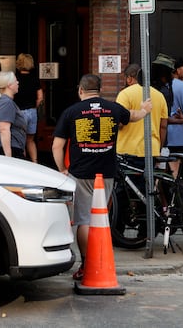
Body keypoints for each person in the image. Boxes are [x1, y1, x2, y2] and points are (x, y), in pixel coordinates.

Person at [52, 74, 150, 282]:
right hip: (106, 173)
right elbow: (132, 116)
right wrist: (144, 110)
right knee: (99, 217)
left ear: (80, 90)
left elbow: (57, 145)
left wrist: (62, 169)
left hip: (80, 173)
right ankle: (99, 261)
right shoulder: (113, 109)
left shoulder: (71, 112)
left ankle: (86, 264)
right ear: (100, 89)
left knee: (84, 220)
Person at [116, 63, 168, 169]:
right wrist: (159, 148)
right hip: (151, 149)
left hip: (128, 149)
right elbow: (163, 126)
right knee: (147, 184)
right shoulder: (159, 95)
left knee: (128, 184)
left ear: (129, 78)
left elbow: (119, 122)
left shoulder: (125, 94)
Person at [0, 71, 27, 159]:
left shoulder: (4, 101)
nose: (18, 82)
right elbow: (4, 129)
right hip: (6, 149)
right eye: (16, 81)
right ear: (9, 85)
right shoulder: (6, 103)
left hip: (6, 148)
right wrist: (8, 157)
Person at [14, 53, 44, 163]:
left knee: (19, 141)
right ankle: (35, 162)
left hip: (19, 112)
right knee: (30, 140)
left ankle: (23, 163)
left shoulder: (15, 79)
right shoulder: (34, 79)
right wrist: (33, 106)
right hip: (32, 112)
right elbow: (40, 97)